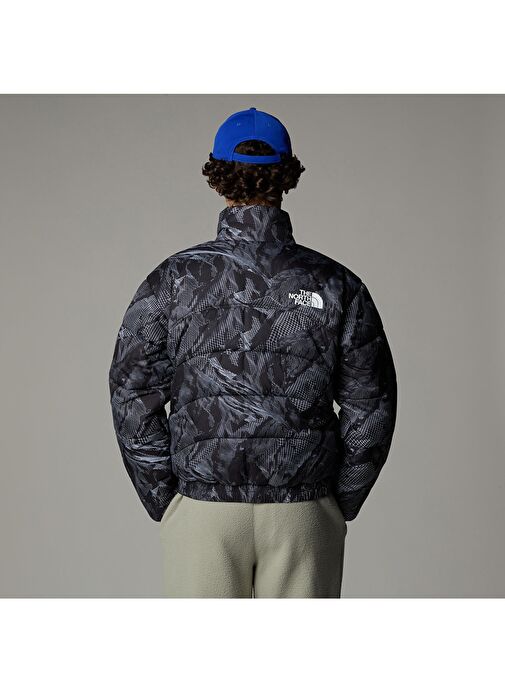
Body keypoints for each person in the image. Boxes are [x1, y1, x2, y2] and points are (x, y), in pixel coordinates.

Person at [108, 107, 397, 598]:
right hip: (304, 511)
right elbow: (372, 404)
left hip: (203, 512)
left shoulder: (172, 281)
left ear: (217, 177)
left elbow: (131, 394)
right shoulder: (337, 284)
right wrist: (336, 501)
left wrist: (169, 499)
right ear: (288, 176)